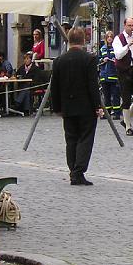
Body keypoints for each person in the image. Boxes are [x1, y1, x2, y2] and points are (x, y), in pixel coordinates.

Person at [49, 27, 102, 186]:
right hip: (85, 106)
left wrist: (57, 107)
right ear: (83, 40)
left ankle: (73, 170)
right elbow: (92, 85)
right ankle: (79, 171)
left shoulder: (59, 60)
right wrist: (97, 105)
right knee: (85, 138)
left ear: (68, 41)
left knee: (71, 139)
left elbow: (54, 86)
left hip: (67, 106)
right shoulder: (89, 59)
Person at [113, 17, 133, 136]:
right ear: (124, 26)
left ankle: (126, 120)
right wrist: (128, 45)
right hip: (124, 71)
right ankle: (128, 127)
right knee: (126, 99)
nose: (132, 28)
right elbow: (118, 55)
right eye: (129, 26)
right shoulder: (118, 39)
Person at [98, 30, 121, 120]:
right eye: (108, 37)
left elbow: (119, 59)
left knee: (115, 96)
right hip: (104, 76)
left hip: (113, 76)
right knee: (106, 96)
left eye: (111, 37)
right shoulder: (102, 48)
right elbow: (98, 59)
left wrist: (115, 61)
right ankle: (106, 113)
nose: (109, 39)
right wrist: (102, 60)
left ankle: (116, 113)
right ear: (106, 39)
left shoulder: (116, 49)